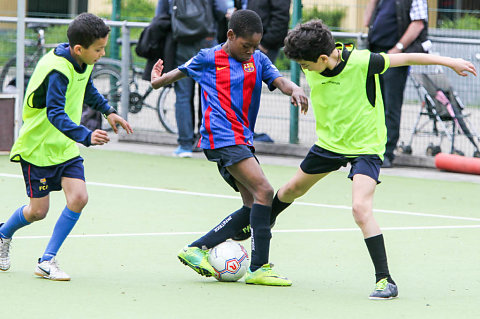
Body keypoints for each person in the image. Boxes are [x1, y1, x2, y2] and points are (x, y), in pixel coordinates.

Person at [232, 19, 476, 297]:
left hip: (365, 147)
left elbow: (408, 56)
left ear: (323, 58)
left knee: (360, 208)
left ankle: (385, 280)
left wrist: (451, 62)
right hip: (329, 144)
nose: (304, 70)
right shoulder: (313, 58)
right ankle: (262, 222)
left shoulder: (363, 62)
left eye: (306, 65)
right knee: (290, 189)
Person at [151, 9, 308, 286]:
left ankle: (196, 249)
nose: (250, 51)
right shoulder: (208, 57)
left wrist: (294, 88)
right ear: (230, 35)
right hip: (222, 136)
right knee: (265, 192)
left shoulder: (258, 60)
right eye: (245, 45)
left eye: (254, 46)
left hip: (242, 139)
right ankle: (259, 268)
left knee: (252, 207)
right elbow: (179, 73)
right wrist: (156, 81)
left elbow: (280, 80)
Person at [0, 13, 133, 281]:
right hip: (38, 148)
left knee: (79, 197)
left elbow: (86, 88)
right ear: (78, 49)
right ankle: (3, 234)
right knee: (38, 211)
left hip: (64, 147)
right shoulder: (58, 70)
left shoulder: (82, 61)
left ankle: (47, 260)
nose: (102, 53)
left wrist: (109, 112)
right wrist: (86, 135)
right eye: (99, 49)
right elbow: (56, 114)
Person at [364, 0, 431, 168]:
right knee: (371, 104)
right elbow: (366, 22)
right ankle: (370, 150)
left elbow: (418, 24)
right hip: (374, 53)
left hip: (394, 56)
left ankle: (386, 153)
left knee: (390, 107)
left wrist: (398, 48)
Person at [167, 0, 227, 158]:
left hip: (182, 40)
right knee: (210, 92)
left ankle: (185, 144)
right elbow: (221, 9)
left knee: (183, 95)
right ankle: (206, 141)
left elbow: (164, 12)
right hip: (207, 39)